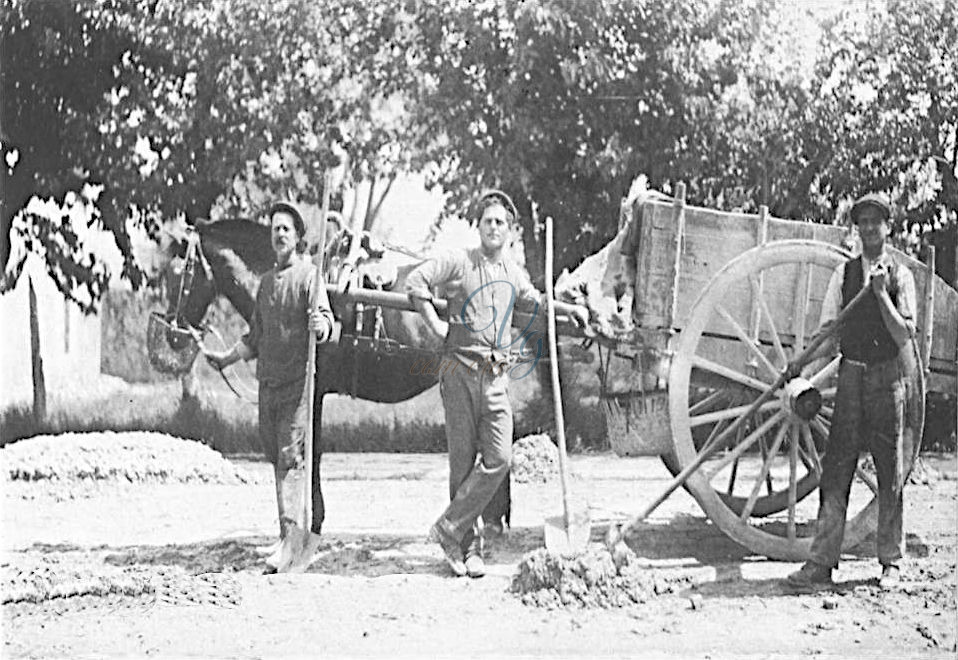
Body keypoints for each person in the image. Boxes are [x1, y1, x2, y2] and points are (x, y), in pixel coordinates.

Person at [405, 190, 589, 578]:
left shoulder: (512, 271)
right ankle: (468, 549)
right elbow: (417, 281)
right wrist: (436, 326)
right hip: (458, 373)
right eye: (487, 221)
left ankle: (448, 527)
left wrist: (573, 311)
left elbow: (537, 302)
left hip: (495, 378)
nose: (493, 227)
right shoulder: (459, 262)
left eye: (500, 222)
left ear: (510, 231)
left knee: (500, 458)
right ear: (478, 227)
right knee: (461, 462)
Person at [786, 192, 919, 590]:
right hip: (850, 379)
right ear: (856, 229)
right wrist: (803, 366)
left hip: (887, 380)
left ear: (888, 229)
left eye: (876, 222)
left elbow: (903, 335)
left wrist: (880, 296)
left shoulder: (900, 277)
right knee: (836, 470)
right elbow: (830, 332)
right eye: (862, 221)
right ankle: (821, 563)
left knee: (889, 472)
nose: (868, 228)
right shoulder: (843, 276)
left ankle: (891, 562)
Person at [203, 201, 334, 573]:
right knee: (276, 457)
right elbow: (254, 339)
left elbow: (326, 322)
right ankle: (289, 535)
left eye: (286, 229)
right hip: (269, 385)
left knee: (291, 460)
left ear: (297, 238)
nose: (279, 235)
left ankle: (289, 544)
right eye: (275, 229)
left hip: (297, 384)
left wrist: (320, 327)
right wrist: (225, 359)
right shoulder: (265, 283)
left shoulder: (311, 277)